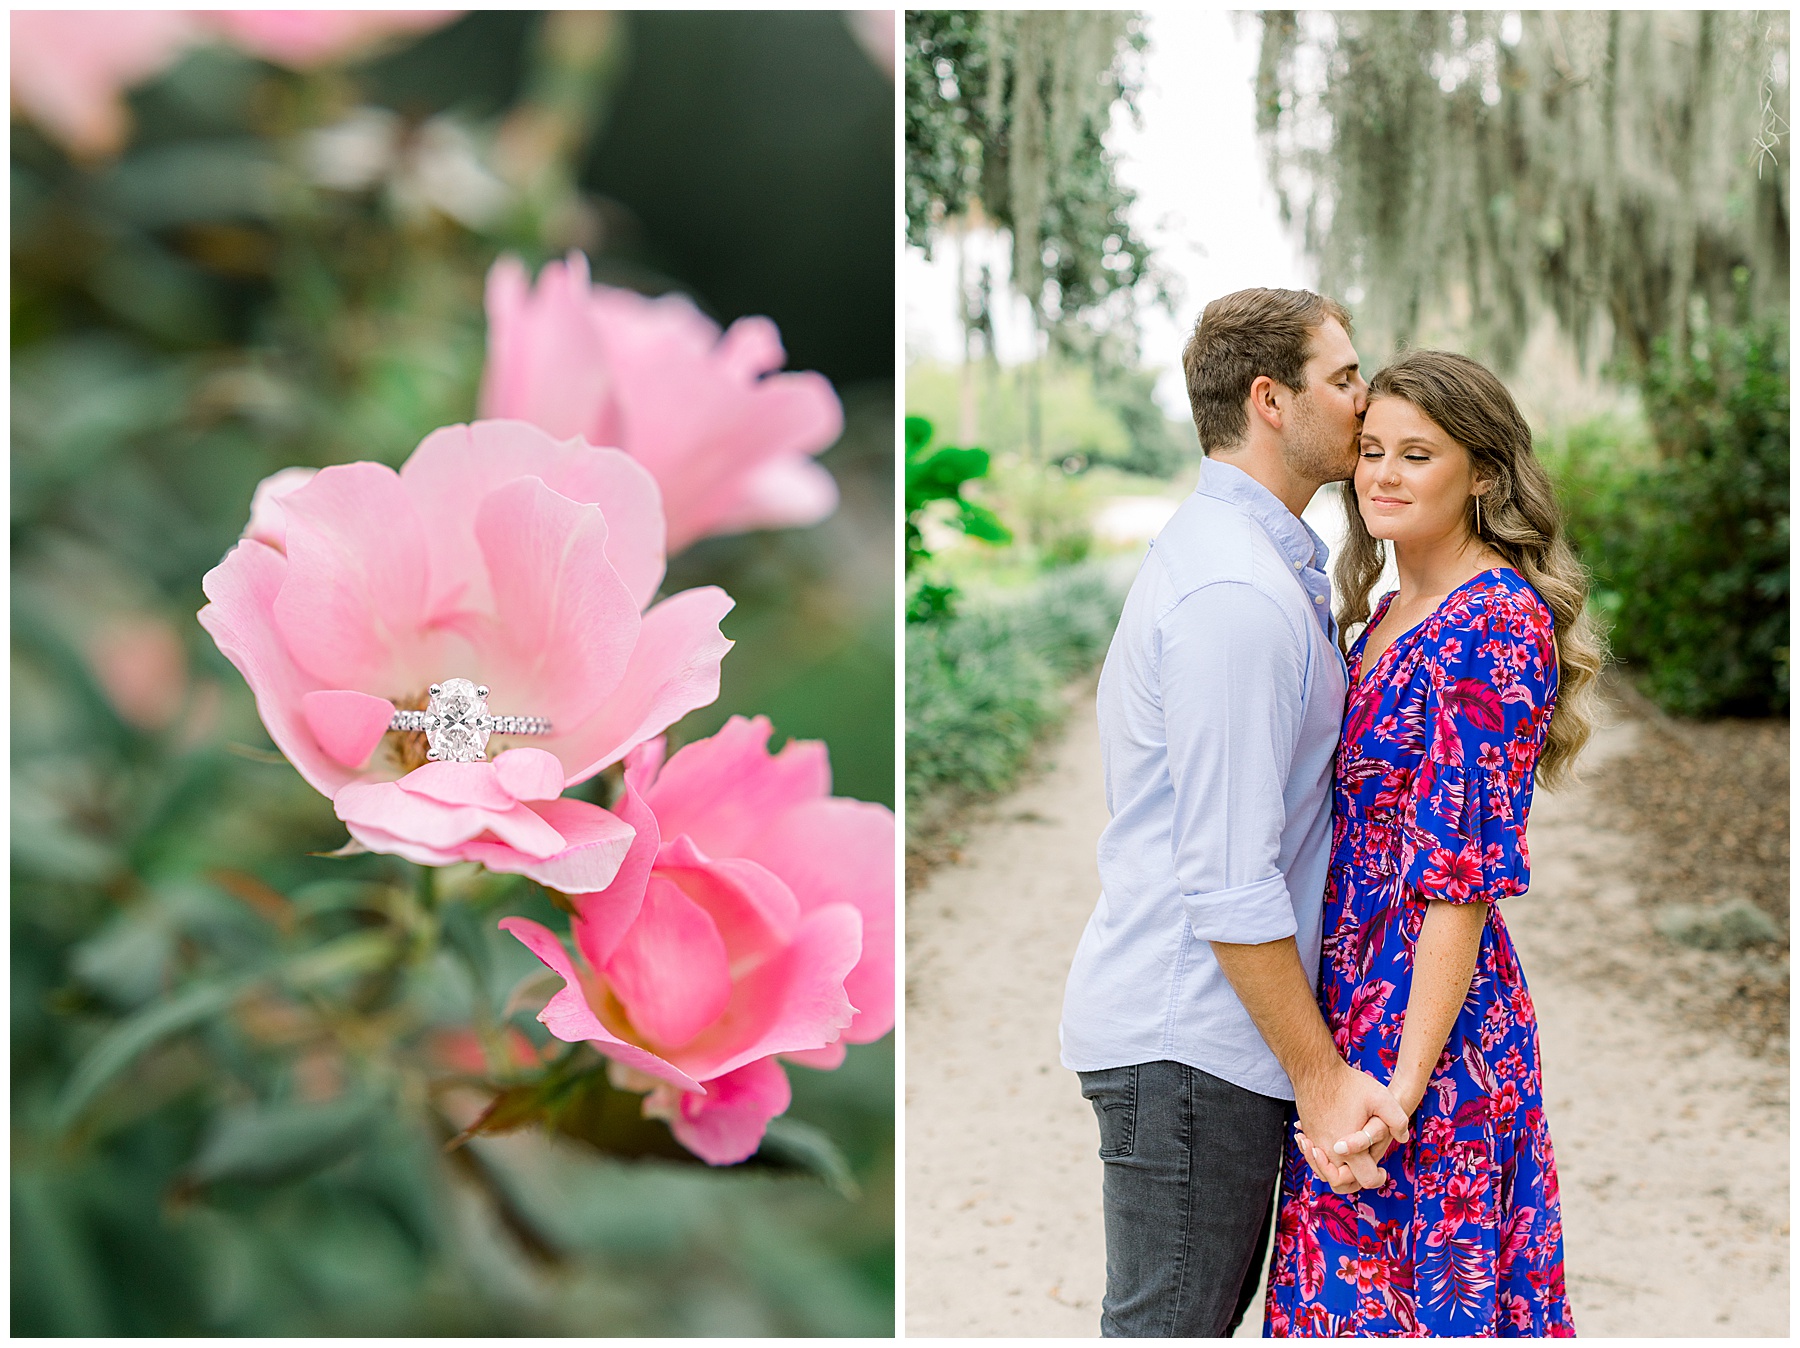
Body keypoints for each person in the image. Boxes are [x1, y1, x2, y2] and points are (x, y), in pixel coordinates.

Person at [1059, 288, 1408, 1338]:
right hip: (1192, 1045)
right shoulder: (1236, 597)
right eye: (1345, 379)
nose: (1367, 398)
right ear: (1271, 399)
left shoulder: (1252, 564)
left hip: (1201, 1042)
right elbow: (1228, 880)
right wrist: (1323, 1079)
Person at [1264, 349, 1603, 1337]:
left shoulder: (1495, 621)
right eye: (1371, 451)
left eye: (1418, 454)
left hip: (1431, 1037)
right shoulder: (1385, 613)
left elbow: (1460, 882)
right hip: (1350, 1012)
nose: (1383, 474)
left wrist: (1400, 1089)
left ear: (1485, 474)